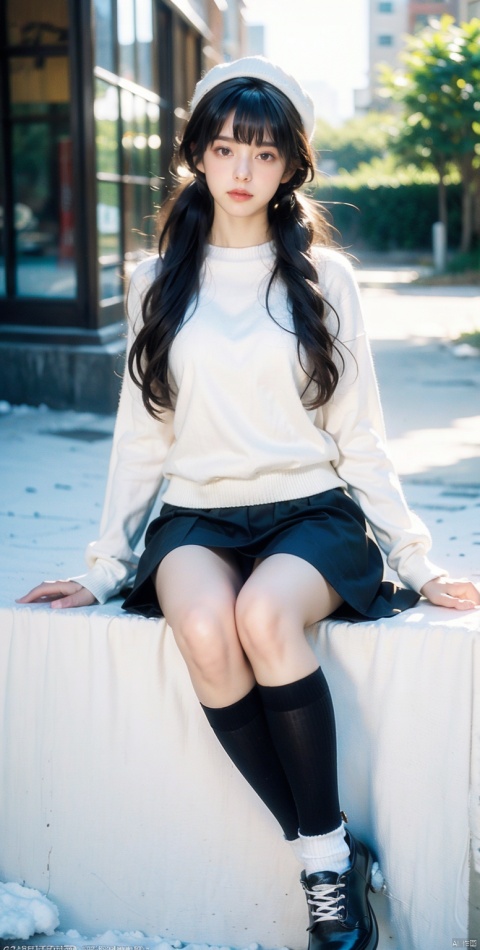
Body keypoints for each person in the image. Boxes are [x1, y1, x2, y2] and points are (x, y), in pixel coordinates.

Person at [18, 56, 480, 950]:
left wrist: (418, 564)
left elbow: (361, 435)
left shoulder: (325, 282)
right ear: (197, 155)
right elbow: (142, 435)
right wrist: (104, 567)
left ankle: (323, 888)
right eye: (225, 148)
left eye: (262, 155)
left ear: (290, 168)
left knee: (267, 618)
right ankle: (327, 851)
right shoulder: (158, 279)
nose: (240, 171)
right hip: (197, 517)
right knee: (203, 629)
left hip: (310, 512)